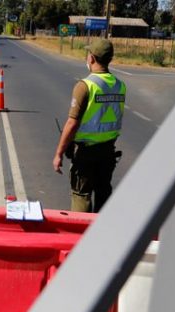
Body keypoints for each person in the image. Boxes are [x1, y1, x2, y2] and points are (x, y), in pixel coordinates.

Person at [52, 39, 126, 213]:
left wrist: (58, 154)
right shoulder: (120, 86)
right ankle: (102, 233)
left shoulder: (85, 86)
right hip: (108, 152)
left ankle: (82, 236)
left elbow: (72, 123)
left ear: (91, 58)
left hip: (85, 153)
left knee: (81, 195)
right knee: (103, 192)